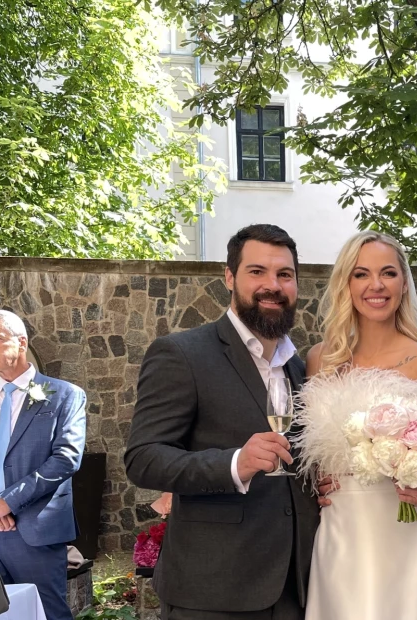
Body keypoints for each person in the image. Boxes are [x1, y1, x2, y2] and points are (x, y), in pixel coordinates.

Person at [124, 224, 320, 620]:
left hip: (296, 589)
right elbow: (143, 458)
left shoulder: (300, 367)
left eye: (285, 275)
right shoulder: (182, 353)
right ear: (229, 277)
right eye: (257, 272)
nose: (273, 285)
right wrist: (234, 464)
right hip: (213, 591)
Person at [306, 231, 417, 619]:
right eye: (361, 274)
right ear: (346, 283)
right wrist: (315, 482)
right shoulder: (319, 360)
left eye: (388, 273)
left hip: (414, 529)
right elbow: (309, 450)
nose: (375, 285)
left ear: (404, 283)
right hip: (344, 530)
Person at [0, 309, 87, 620]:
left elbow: (66, 459)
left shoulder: (65, 395)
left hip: (36, 530)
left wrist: (7, 503)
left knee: (47, 614)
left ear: (21, 342)